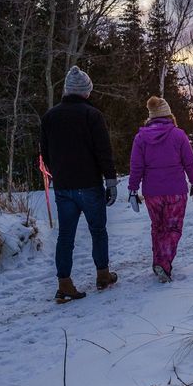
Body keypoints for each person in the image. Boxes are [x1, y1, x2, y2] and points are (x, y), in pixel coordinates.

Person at [41, 65, 119, 302]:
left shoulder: (50, 116)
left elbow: (45, 152)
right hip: (89, 185)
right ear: (86, 91)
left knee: (65, 236)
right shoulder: (92, 115)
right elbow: (103, 151)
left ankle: (64, 283)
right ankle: (103, 275)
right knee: (98, 231)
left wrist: (58, 173)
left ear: (66, 90)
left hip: (63, 186)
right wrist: (111, 181)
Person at [127, 96, 193, 283]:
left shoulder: (140, 137)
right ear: (169, 115)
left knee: (158, 228)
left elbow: (136, 166)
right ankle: (164, 264)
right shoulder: (179, 135)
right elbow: (189, 162)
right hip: (176, 191)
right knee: (173, 228)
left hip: (152, 192)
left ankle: (158, 262)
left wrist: (133, 190)